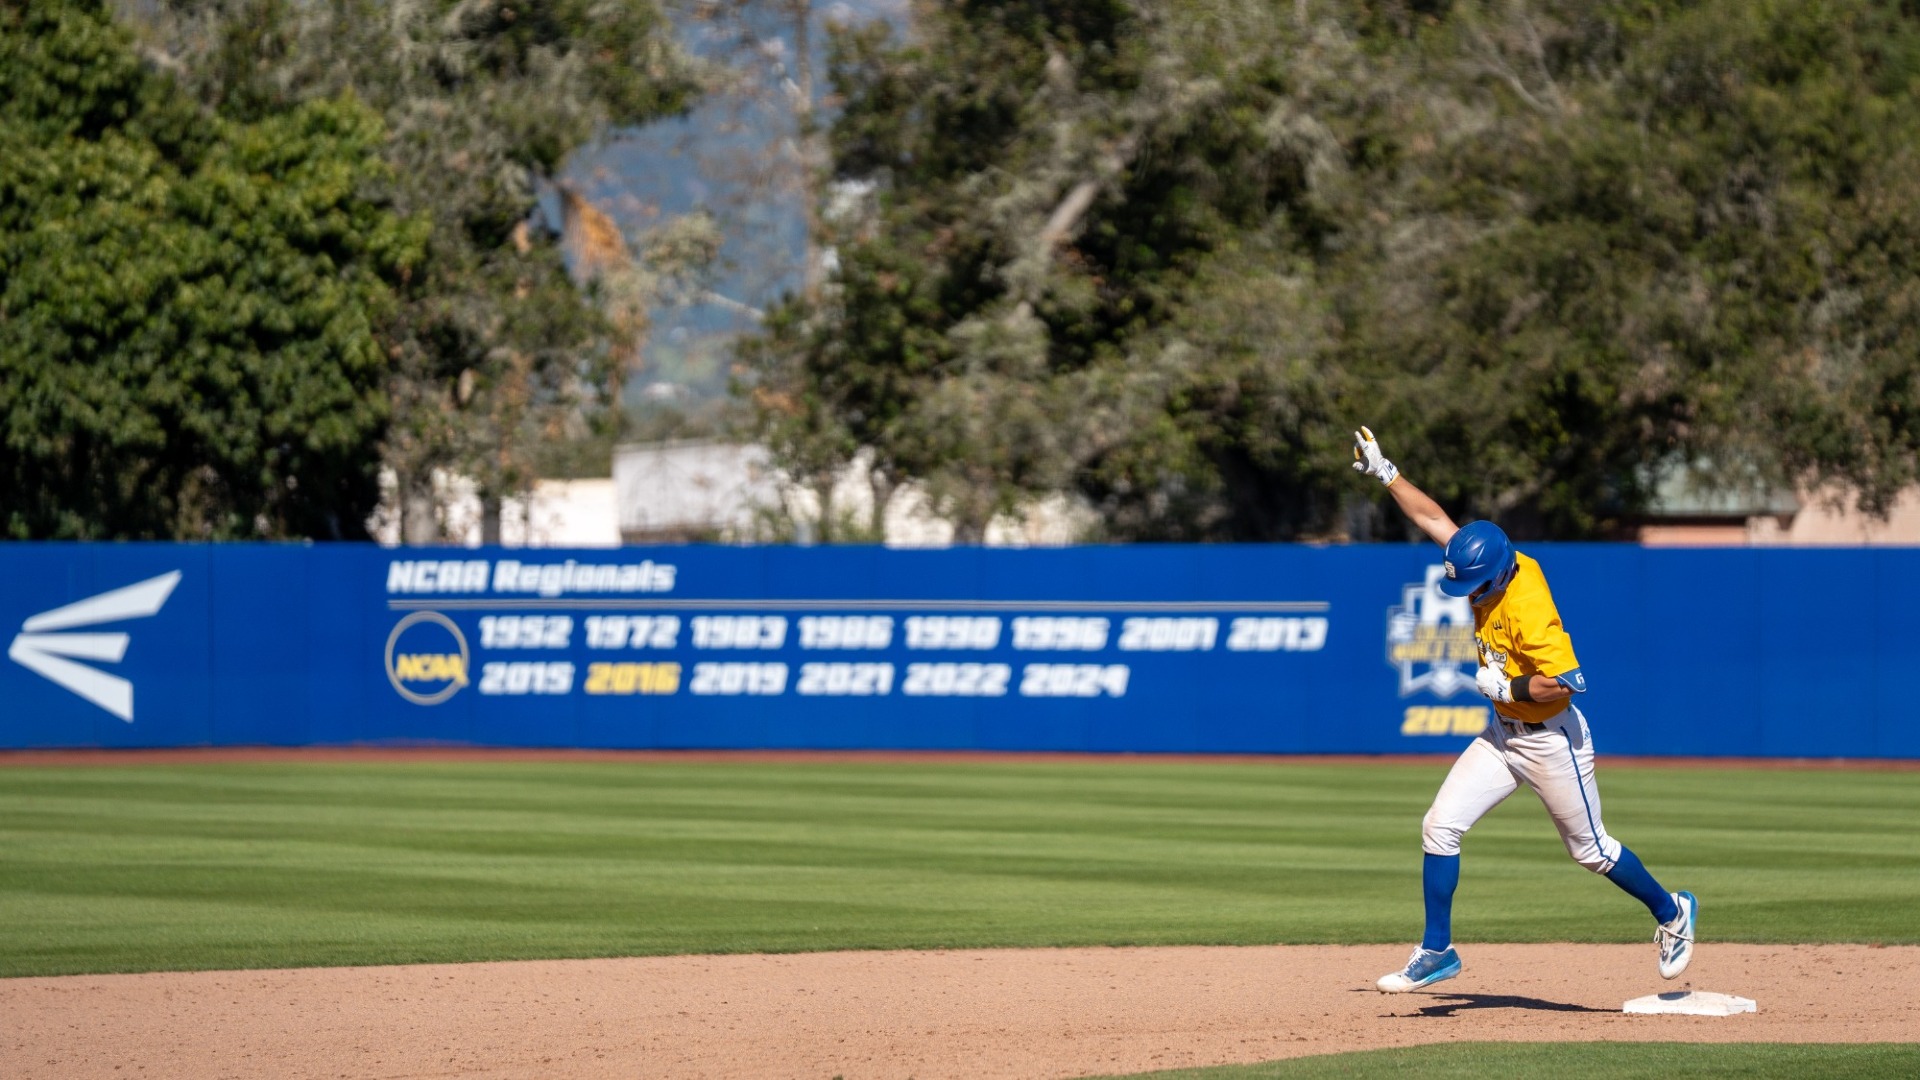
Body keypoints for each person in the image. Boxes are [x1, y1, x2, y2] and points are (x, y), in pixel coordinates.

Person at [1350, 426, 1697, 993]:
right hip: (1503, 736)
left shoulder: (1529, 605)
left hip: (1552, 740)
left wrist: (1508, 687)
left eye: (1475, 588)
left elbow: (1567, 684)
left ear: (1499, 574)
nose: (1468, 596)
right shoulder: (1489, 558)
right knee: (1439, 826)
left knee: (1592, 851)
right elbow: (1437, 521)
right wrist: (1387, 473)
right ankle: (1437, 951)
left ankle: (1673, 912)